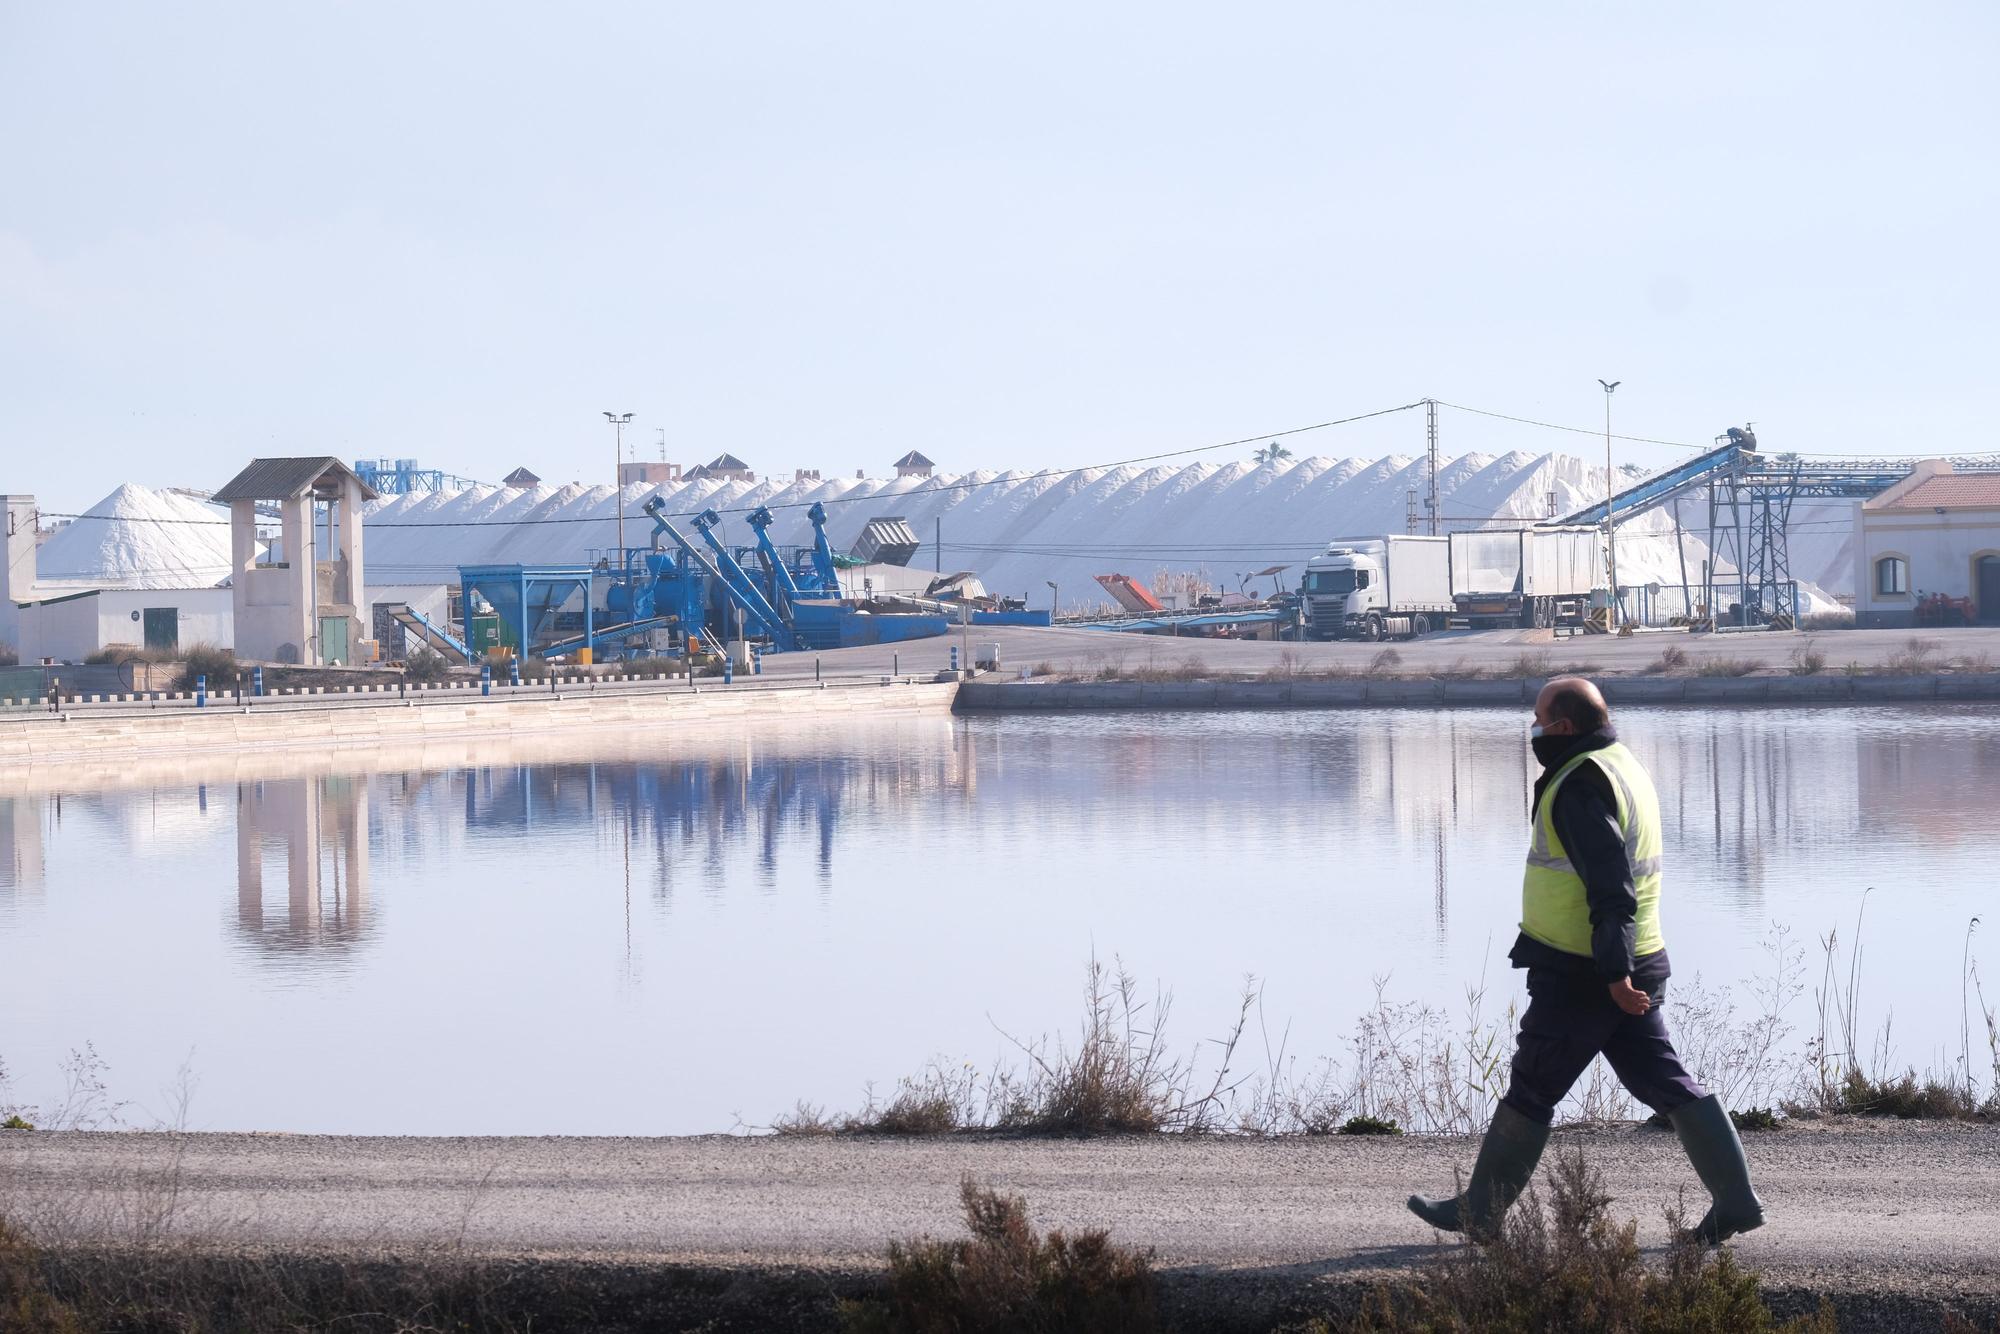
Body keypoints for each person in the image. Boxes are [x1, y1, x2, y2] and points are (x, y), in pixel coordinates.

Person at [1407, 676, 1765, 1245]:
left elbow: (1611, 887)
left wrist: (1615, 975)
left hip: (1587, 971)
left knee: (1533, 1084)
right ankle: (1737, 1201)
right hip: (1631, 958)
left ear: (1564, 728)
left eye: (1538, 722)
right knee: (1665, 1080)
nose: (1533, 731)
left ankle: (1480, 1211)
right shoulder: (1621, 762)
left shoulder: (1579, 784)